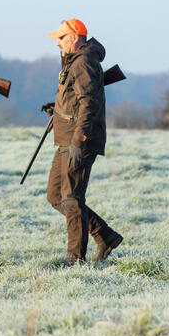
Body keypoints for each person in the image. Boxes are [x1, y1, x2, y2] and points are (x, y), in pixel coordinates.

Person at [44, 18, 123, 263]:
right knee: (55, 195)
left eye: (61, 38)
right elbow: (78, 99)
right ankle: (106, 236)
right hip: (67, 137)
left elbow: (90, 104)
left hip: (78, 140)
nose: (57, 43)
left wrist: (80, 141)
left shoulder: (84, 63)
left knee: (71, 197)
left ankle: (75, 258)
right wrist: (57, 108)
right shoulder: (77, 62)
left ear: (75, 37)